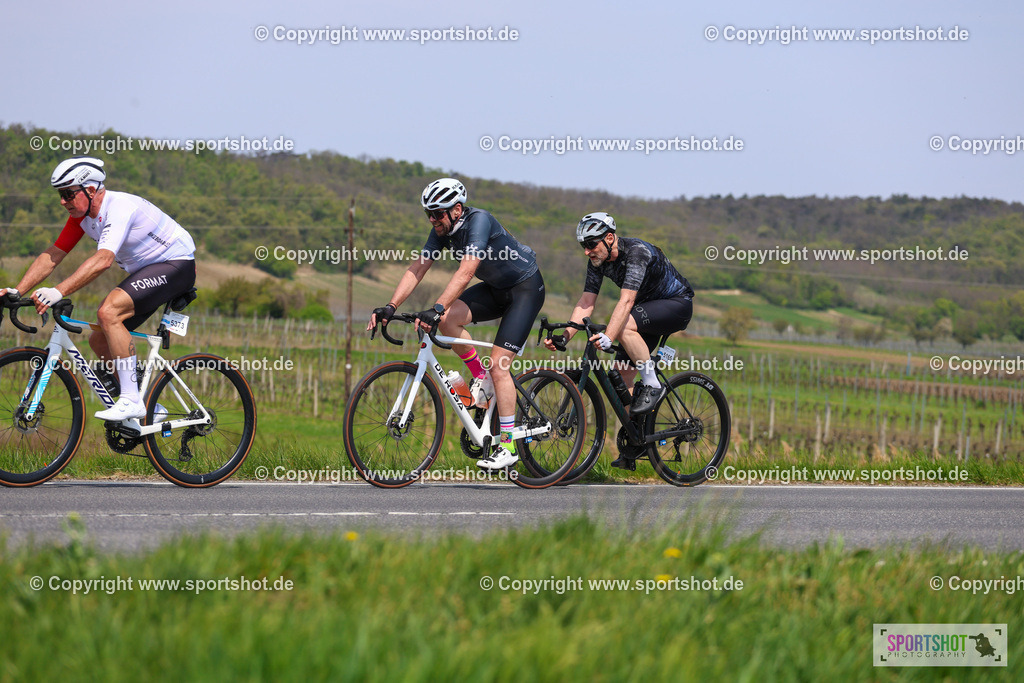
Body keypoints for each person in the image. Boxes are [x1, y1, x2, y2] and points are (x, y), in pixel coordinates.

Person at [367, 178, 545, 470]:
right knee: (449, 321)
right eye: (428, 214)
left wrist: (436, 307)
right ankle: (480, 378)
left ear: (457, 209)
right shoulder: (442, 230)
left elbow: (466, 272)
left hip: (525, 289)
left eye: (437, 213)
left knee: (499, 364)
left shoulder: (480, 221)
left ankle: (509, 445)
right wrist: (391, 305)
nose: (432, 219)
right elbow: (418, 267)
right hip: (495, 289)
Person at [0, 156, 196, 421]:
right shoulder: (82, 216)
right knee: (99, 338)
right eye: (60, 194)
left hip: (176, 265)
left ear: (90, 190)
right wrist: (17, 290)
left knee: (109, 312)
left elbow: (103, 260)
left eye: (68, 194)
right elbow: (54, 254)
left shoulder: (119, 207)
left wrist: (58, 291)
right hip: (145, 271)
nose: (63, 201)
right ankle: (148, 406)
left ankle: (130, 401)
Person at [545, 212, 693, 465]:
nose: (587, 251)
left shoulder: (636, 252)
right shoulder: (597, 262)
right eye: (583, 246)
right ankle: (640, 440)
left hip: (675, 304)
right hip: (644, 312)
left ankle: (652, 383)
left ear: (610, 238)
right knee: (620, 378)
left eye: (591, 244)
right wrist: (566, 335)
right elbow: (586, 302)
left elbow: (626, 301)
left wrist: (609, 336)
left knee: (623, 327)